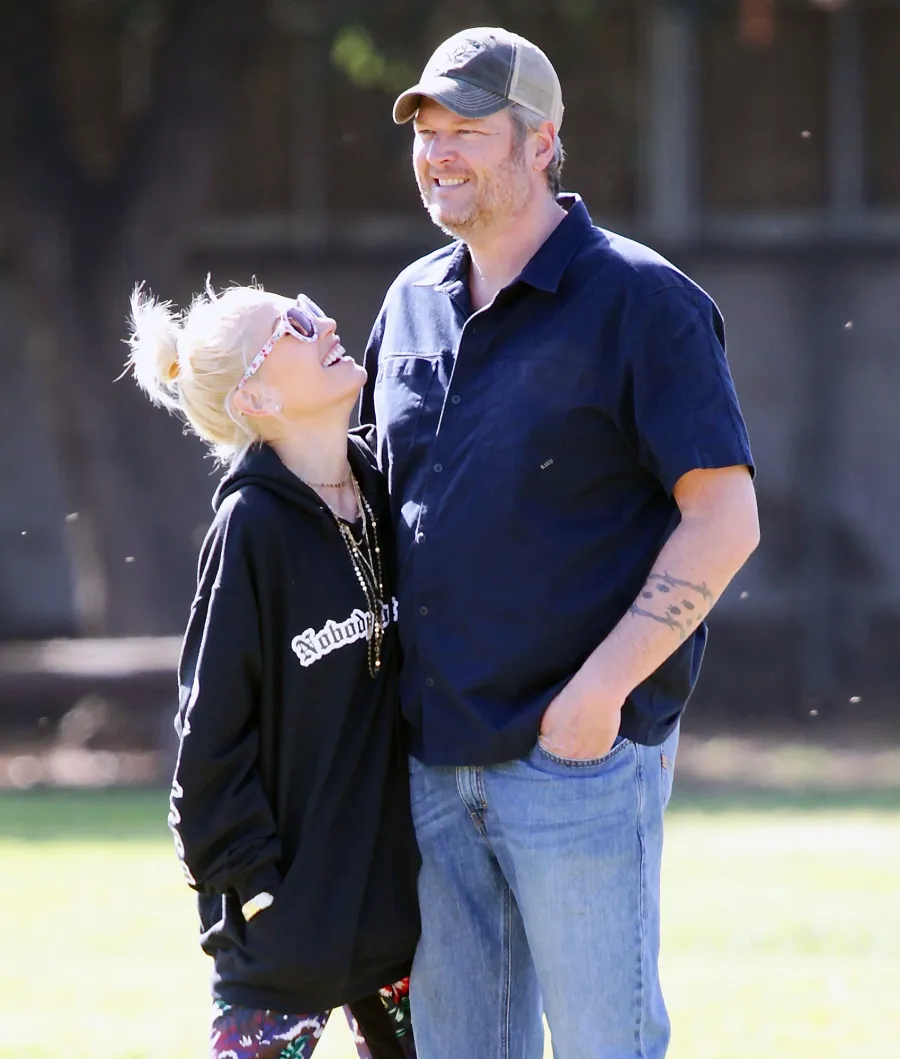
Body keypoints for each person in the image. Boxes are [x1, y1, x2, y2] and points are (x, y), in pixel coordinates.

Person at [360, 26, 760, 1059]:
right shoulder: (407, 305)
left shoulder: (640, 299)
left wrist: (596, 702)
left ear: (540, 144)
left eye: (470, 132)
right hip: (431, 761)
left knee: (603, 1044)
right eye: (429, 132)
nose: (440, 153)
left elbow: (724, 519)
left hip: (574, 763)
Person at [126, 282, 419, 1059]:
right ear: (256, 396)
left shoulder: (389, 496)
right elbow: (207, 750)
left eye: (310, 306)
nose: (322, 320)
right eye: (291, 325)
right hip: (282, 938)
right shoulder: (249, 530)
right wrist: (256, 895)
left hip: (399, 929)